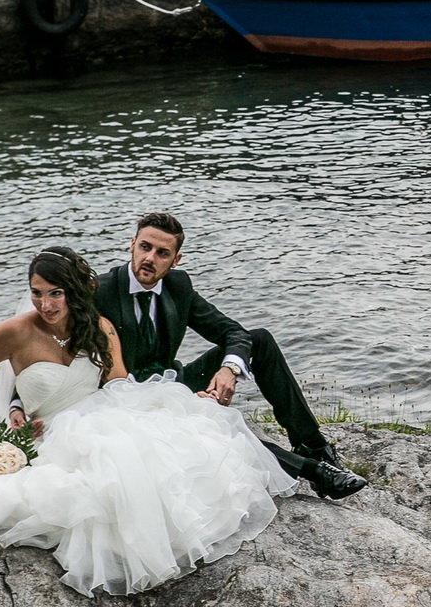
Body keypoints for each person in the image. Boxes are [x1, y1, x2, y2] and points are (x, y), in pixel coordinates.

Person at [0, 247, 309, 597]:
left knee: (149, 462)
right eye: (37, 292)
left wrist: (167, 403)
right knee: (82, 491)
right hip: (49, 431)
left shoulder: (98, 326)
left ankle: (308, 458)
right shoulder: (13, 332)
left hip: (98, 415)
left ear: (72, 292)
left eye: (54, 293)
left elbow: (116, 385)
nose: (45, 302)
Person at [37, 212, 363, 500]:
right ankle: (314, 472)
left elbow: (233, 332)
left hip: (173, 381)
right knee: (213, 428)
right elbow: (48, 348)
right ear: (132, 244)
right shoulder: (102, 291)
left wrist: (228, 369)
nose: (150, 258)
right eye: (145, 247)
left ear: (175, 260)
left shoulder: (178, 286)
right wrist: (23, 403)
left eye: (162, 253)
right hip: (126, 401)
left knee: (259, 340)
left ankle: (313, 445)